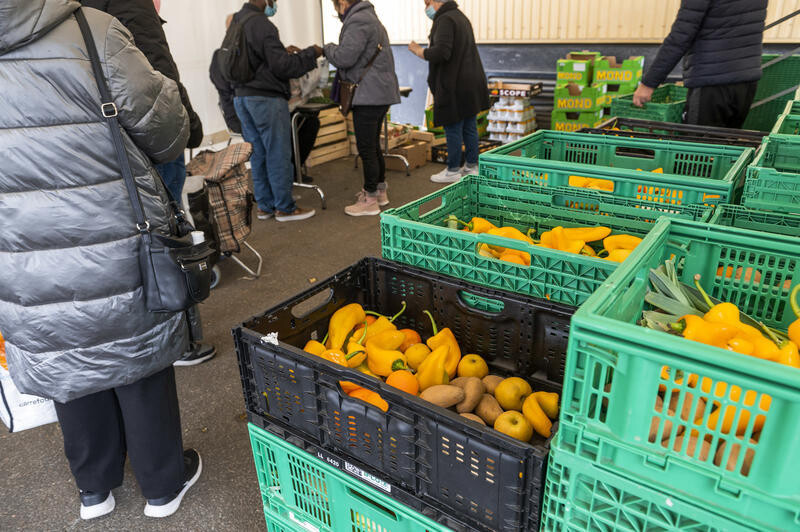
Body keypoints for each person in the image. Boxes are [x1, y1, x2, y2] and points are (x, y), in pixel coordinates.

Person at [0, 0, 200, 521]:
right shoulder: (94, 32)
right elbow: (167, 133)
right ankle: (162, 486)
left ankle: (94, 489)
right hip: (114, 235)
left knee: (65, 356)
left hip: (18, 249)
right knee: (137, 355)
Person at [81, 0, 216, 368]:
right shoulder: (131, 6)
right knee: (165, 242)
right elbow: (156, 76)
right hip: (146, 145)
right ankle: (179, 342)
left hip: (100, 149)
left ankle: (139, 341)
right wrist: (188, 121)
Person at [80, 0, 204, 202]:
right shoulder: (132, 5)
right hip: (145, 128)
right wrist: (191, 123)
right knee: (166, 213)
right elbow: (159, 72)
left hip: (97, 136)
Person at [232, 0, 323, 222]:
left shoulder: (238, 20)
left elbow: (260, 60)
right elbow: (283, 67)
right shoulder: (263, 24)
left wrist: (282, 53)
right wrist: (312, 53)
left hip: (242, 97)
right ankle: (285, 207)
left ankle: (265, 206)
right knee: (278, 154)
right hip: (266, 99)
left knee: (259, 155)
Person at [633, 0, 768, 128]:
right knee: (727, 146)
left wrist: (649, 83)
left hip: (711, 83)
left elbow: (681, 36)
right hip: (746, 81)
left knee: (697, 148)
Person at [325, 0, 400, 216]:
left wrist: (327, 48)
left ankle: (369, 200)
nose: (337, 12)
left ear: (343, 2)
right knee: (374, 146)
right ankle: (380, 192)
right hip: (378, 94)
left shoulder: (358, 20)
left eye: (336, 7)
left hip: (368, 95)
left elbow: (344, 57)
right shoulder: (371, 18)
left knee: (367, 149)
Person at [409, 0, 489, 184]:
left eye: (427, 2)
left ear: (437, 2)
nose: (426, 7)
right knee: (469, 125)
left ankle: (453, 169)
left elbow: (441, 53)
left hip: (454, 83)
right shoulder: (460, 17)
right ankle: (471, 166)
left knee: (452, 125)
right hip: (469, 81)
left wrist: (419, 51)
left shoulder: (445, 19)